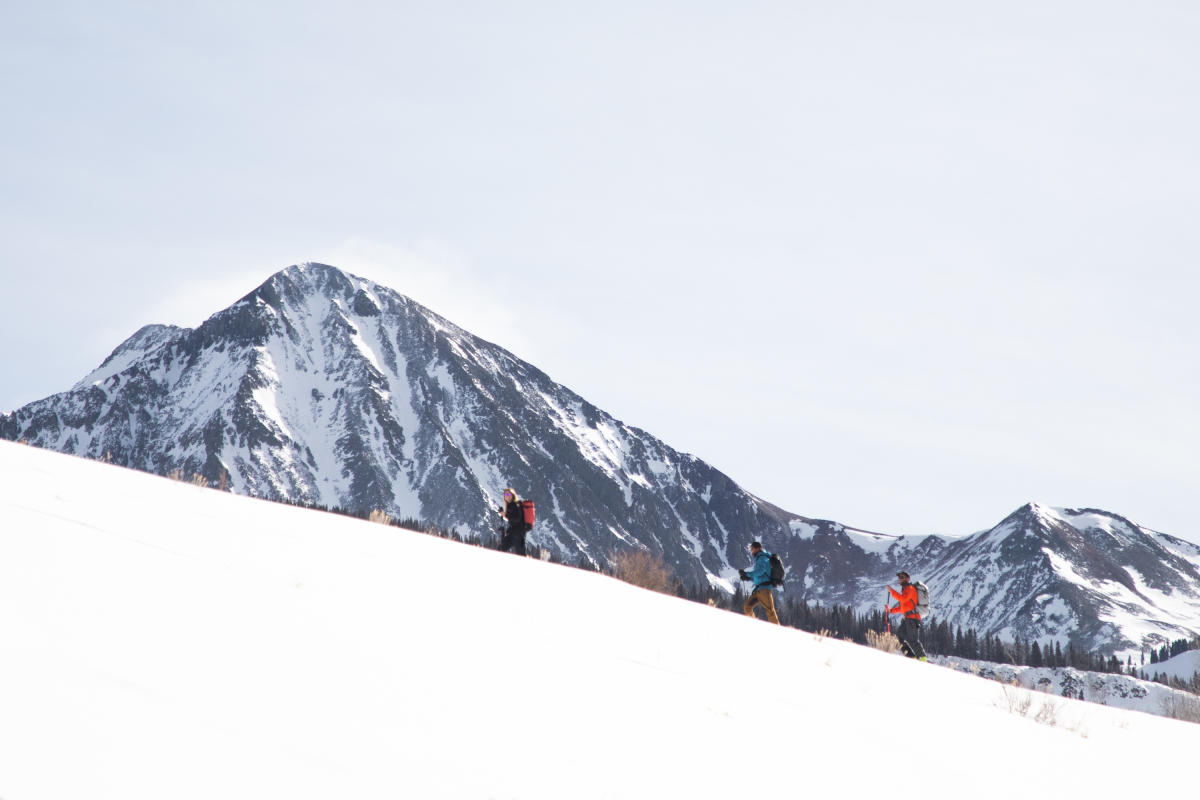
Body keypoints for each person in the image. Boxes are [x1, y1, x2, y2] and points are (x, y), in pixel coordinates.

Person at [887, 571, 927, 660]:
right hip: (907, 619)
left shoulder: (910, 589)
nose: (900, 579)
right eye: (899, 577)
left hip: (912, 619)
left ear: (908, 579)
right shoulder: (905, 590)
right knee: (898, 638)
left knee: (913, 640)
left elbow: (903, 599)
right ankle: (911, 657)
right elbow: (902, 608)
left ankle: (922, 659)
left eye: (902, 577)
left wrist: (891, 591)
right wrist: (891, 610)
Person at [739, 541, 780, 624]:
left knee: (770, 612)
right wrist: (747, 577)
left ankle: (778, 632)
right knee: (747, 607)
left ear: (758, 549)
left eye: (752, 549)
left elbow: (759, 572)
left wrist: (747, 574)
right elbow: (760, 576)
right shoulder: (760, 558)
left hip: (764, 590)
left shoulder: (762, 558)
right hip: (759, 590)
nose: (751, 551)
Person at [497, 487, 529, 556]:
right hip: (512, 533)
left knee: (521, 555)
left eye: (509, 494)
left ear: (513, 495)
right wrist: (504, 514)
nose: (507, 496)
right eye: (505, 494)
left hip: (519, 534)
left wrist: (505, 514)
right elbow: (512, 520)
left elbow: (518, 519)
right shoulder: (509, 505)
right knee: (501, 549)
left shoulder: (518, 504)